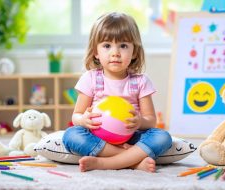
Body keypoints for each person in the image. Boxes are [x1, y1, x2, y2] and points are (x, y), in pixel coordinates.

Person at [62, 12, 172, 173]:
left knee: (163, 137)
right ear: (96, 52)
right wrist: (84, 119)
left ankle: (104, 163)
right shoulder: (90, 78)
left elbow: (151, 120)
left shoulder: (141, 81)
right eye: (107, 46)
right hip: (98, 137)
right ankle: (131, 161)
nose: (115, 52)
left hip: (131, 137)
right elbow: (76, 115)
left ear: (134, 51)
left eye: (123, 46)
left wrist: (139, 122)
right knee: (71, 135)